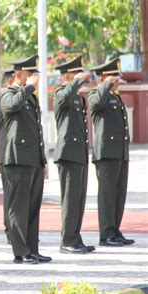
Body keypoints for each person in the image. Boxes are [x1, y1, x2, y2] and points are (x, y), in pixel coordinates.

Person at [0, 55, 52, 265]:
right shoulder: (8, 94)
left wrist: (42, 160)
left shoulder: (29, 97)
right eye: (30, 75)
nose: (34, 79)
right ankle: (20, 250)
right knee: (18, 208)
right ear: (18, 74)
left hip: (32, 159)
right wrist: (28, 87)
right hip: (16, 159)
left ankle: (32, 249)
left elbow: (36, 131)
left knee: (32, 207)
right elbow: (12, 105)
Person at [88, 58, 134, 247]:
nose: (117, 81)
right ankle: (106, 234)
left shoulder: (115, 96)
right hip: (106, 153)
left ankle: (115, 230)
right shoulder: (96, 94)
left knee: (119, 194)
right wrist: (105, 85)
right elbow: (95, 104)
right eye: (113, 78)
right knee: (107, 195)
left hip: (120, 152)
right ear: (103, 78)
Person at [53, 56, 95, 254]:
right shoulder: (61, 93)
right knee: (70, 199)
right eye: (77, 74)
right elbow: (66, 94)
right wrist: (77, 81)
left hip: (79, 153)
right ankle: (67, 240)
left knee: (79, 198)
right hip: (68, 154)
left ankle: (75, 237)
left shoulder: (78, 97)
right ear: (68, 76)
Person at [0, 68, 14, 245]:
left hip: (17, 155)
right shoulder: (6, 98)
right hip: (8, 154)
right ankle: (10, 231)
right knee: (10, 197)